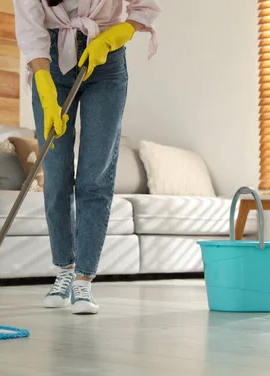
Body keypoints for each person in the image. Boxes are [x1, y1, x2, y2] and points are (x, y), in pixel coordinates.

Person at [14, 0, 161, 314]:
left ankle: (83, 280)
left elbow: (144, 6)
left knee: (94, 176)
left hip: (106, 63)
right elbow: (30, 28)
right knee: (54, 174)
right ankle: (64, 270)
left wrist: (116, 35)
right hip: (50, 62)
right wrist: (44, 86)